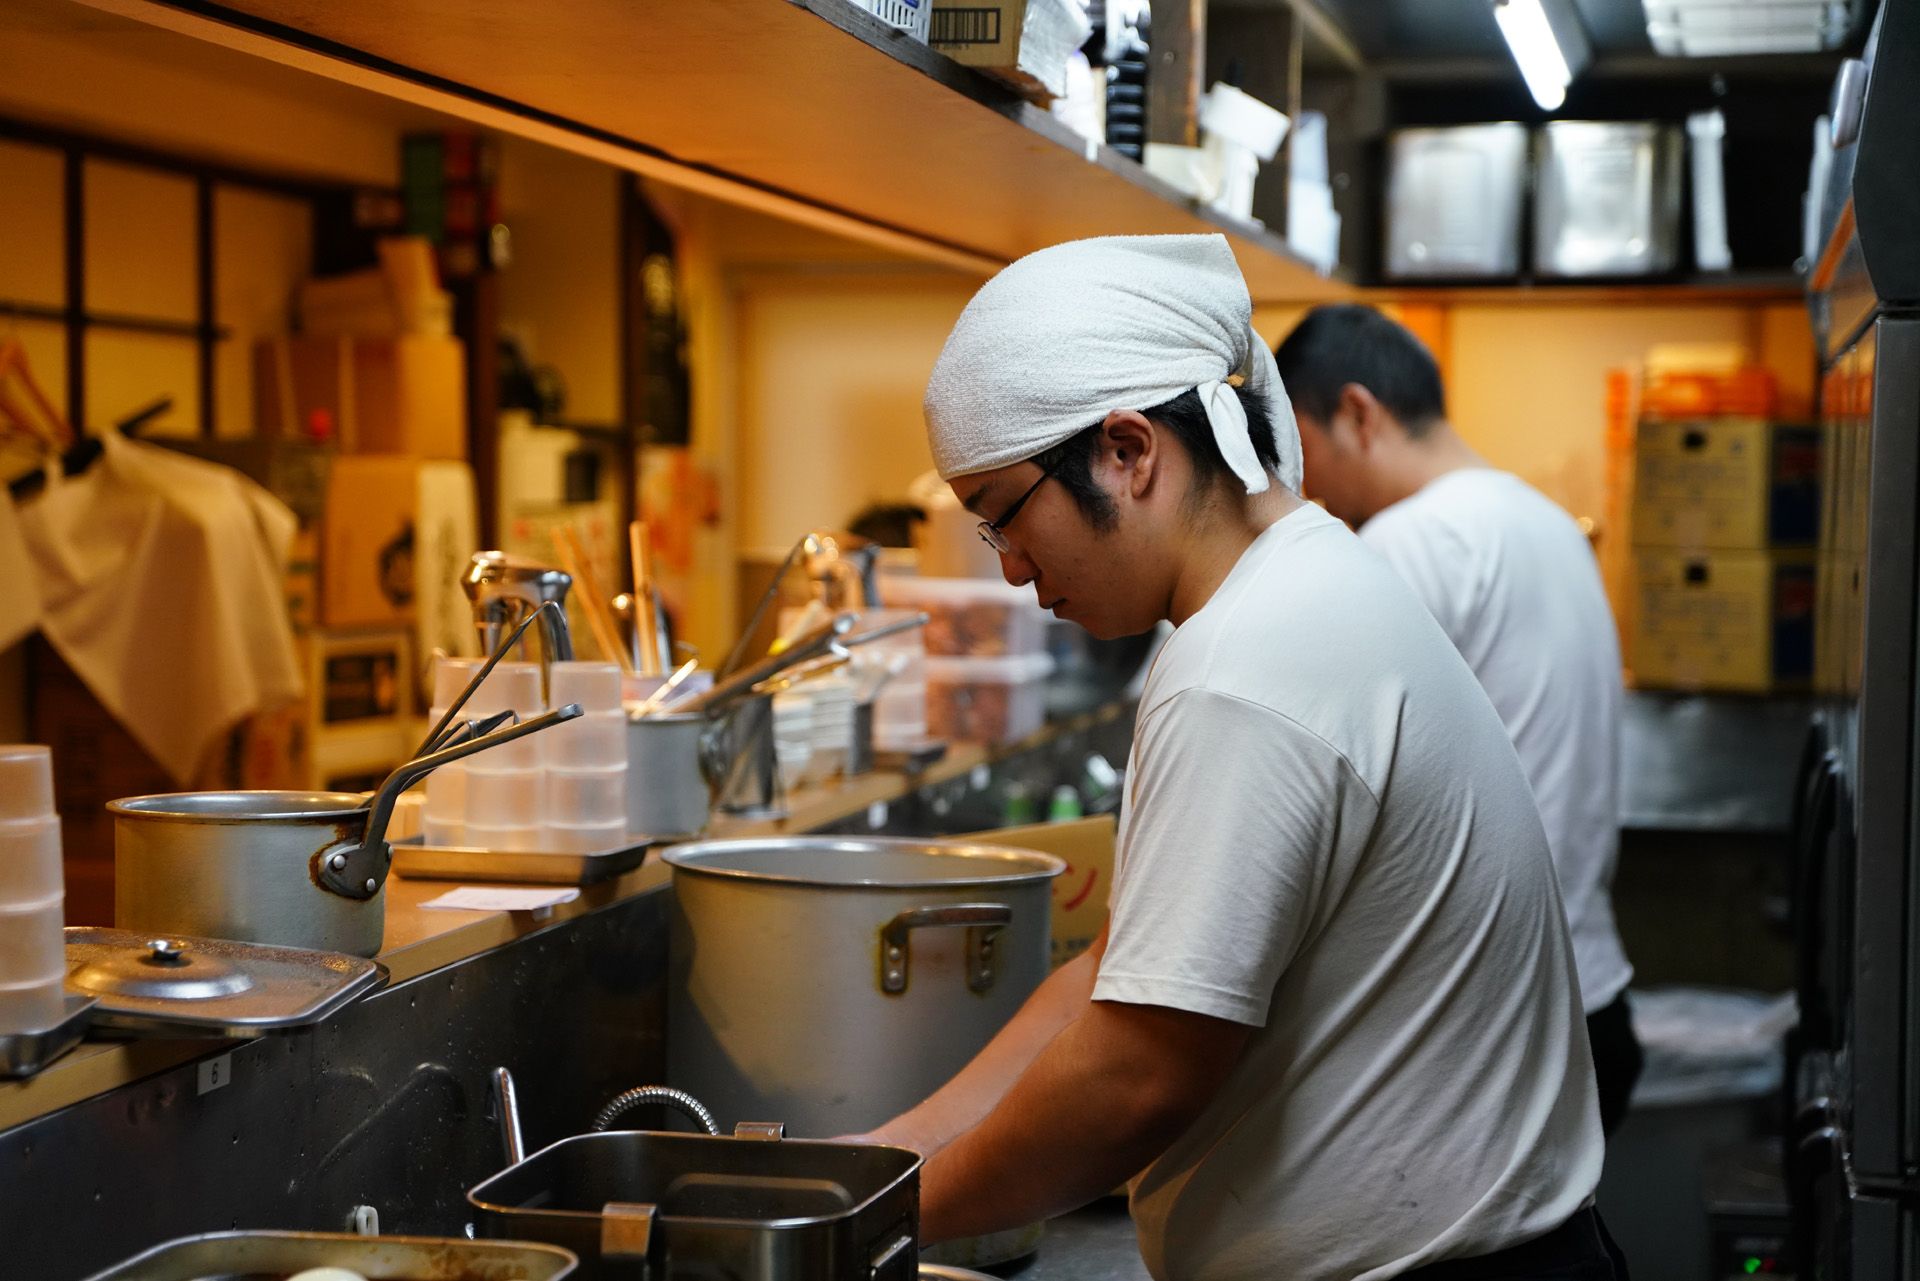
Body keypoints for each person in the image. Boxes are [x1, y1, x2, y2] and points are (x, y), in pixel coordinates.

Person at [861, 234, 1623, 1280]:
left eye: (1003, 519)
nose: (1014, 571)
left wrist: (872, 1224)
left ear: (1128, 453)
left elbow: (1136, 1075)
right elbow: (1115, 978)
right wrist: (882, 1161)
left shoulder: (1245, 664)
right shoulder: (1302, 582)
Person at [1273, 303, 1643, 1135]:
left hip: (1493, 1023)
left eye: (1305, 447)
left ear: (1359, 413)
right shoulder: (1539, 520)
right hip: (1587, 993)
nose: (1308, 486)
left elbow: (1317, 767)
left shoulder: (1413, 541)